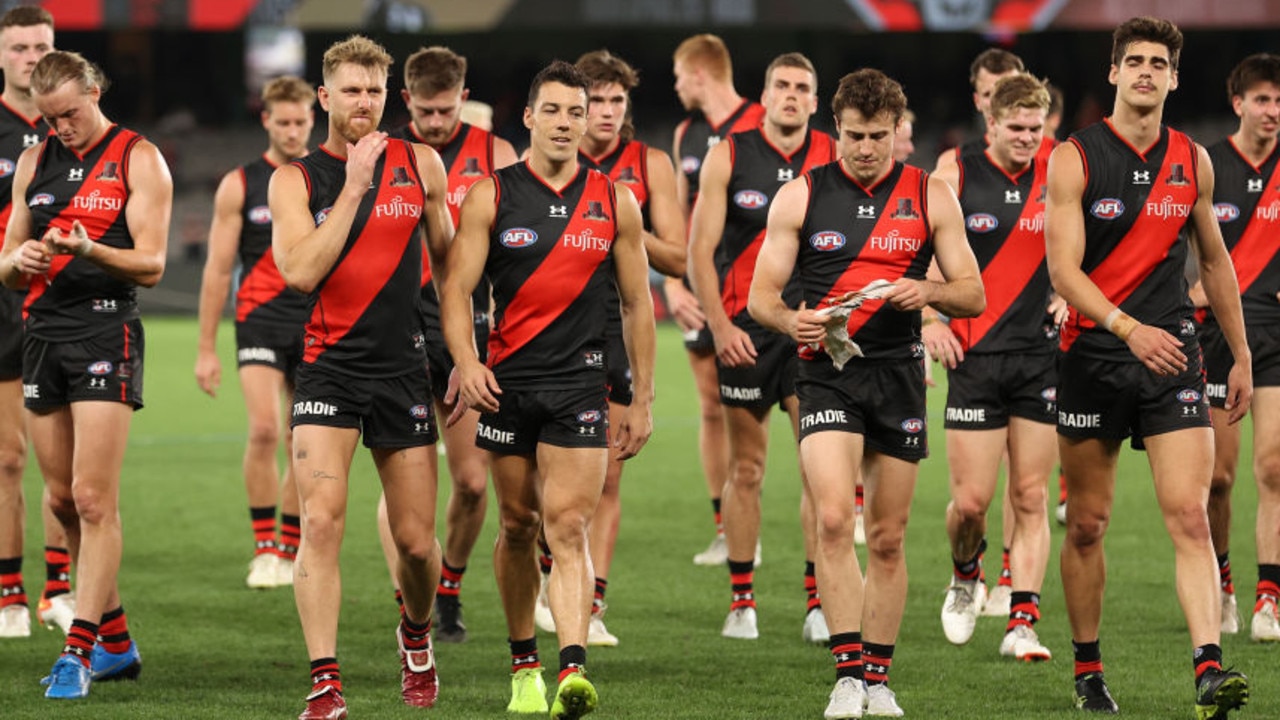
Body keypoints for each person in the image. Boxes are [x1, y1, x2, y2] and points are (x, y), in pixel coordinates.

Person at [749, 67, 983, 719]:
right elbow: (760, 295)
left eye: (879, 135)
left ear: (898, 131)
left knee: (887, 536)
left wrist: (929, 292)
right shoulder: (800, 196)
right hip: (828, 372)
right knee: (831, 518)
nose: (866, 148)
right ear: (836, 130)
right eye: (854, 135)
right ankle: (847, 673)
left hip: (900, 374)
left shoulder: (931, 194)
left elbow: (973, 291)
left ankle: (879, 680)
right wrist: (788, 318)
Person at [1045, 16, 1253, 717]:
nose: (1144, 71)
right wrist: (1127, 328)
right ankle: (1088, 672)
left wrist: (1242, 353)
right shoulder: (1074, 158)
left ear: (1172, 76)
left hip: (1173, 358)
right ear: (1113, 72)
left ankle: (1208, 671)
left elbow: (1217, 263)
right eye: (1132, 60)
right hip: (1094, 358)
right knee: (1087, 525)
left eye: (1157, 62)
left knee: (1191, 517)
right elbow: (1064, 272)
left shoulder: (1193, 159)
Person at [440, 59, 655, 719]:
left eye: (577, 111)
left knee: (567, 525)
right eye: (554, 111)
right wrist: (466, 360)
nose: (567, 123)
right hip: (508, 388)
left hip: (579, 388)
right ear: (529, 117)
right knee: (516, 523)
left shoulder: (615, 198)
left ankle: (572, 671)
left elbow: (638, 304)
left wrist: (641, 396)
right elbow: (455, 289)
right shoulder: (491, 196)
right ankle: (523, 666)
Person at [268, 35, 453, 719]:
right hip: (328, 370)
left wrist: (461, 356)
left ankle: (415, 634)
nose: (363, 103)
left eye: (374, 91)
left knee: (414, 543)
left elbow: (452, 271)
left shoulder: (423, 164)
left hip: (404, 370)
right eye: (350, 90)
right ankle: (325, 682)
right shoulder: (296, 179)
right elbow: (301, 271)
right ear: (324, 97)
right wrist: (352, 187)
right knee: (320, 522)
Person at [0, 50, 172, 698]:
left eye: (70, 114)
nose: (62, 127)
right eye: (50, 118)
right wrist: (25, 256)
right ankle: (119, 643)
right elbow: (7, 266)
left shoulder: (139, 158)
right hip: (41, 336)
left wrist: (88, 247)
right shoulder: (34, 161)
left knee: (95, 498)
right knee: (65, 501)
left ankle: (79, 651)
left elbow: (153, 263)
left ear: (95, 91)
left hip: (106, 330)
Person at [533, 48, 684, 647]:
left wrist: (613, 223)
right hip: (542, 338)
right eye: (595, 100)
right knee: (533, 493)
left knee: (610, 477)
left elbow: (675, 256)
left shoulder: (648, 167)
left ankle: (590, 604)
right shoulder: (539, 165)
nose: (606, 111)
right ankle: (550, 577)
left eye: (618, 101)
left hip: (612, 334)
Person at [687, 52, 835, 643]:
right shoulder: (728, 153)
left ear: (816, 101)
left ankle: (818, 601)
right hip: (747, 337)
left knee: (817, 474)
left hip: (812, 336)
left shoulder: (833, 153)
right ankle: (742, 601)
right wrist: (720, 328)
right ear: (765, 94)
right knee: (746, 468)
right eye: (782, 85)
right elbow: (700, 250)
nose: (792, 95)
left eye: (803, 87)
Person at [377, 44, 517, 645]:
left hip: (469, 330)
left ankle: (450, 589)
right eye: (424, 112)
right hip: (397, 331)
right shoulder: (382, 154)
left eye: (445, 110)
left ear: (465, 98)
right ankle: (408, 595)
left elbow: (515, 248)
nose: (434, 123)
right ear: (406, 101)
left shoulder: (498, 154)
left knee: (471, 483)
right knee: (400, 479)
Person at [929, 73, 1061, 660]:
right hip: (975, 358)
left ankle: (1023, 621)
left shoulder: (1061, 171)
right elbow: (918, 250)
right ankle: (965, 574)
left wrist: (1069, 291)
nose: (1028, 138)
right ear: (992, 124)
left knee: (1031, 495)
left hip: (1041, 358)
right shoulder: (954, 172)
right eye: (1017, 128)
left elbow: (1093, 244)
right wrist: (930, 322)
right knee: (972, 504)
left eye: (1037, 128)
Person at [194, 75, 314, 591]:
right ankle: (265, 547)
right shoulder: (240, 184)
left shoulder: (324, 178)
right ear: (266, 120)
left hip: (317, 322)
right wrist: (205, 349)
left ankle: (290, 547)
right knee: (265, 430)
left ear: (314, 120)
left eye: (300, 122)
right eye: (282, 122)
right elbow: (219, 269)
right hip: (259, 319)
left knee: (300, 441)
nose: (291, 131)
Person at [668, 34, 765, 566]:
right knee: (710, 405)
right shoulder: (688, 132)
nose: (676, 85)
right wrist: (675, 283)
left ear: (700, 74)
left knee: (752, 414)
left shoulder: (762, 122)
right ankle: (724, 528)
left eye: (679, 75)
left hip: (753, 290)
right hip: (701, 287)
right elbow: (681, 218)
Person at [1195, 53, 1280, 641]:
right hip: (1217, 333)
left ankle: (1268, 599)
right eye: (1262, 100)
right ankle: (1222, 582)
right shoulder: (1208, 165)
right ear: (1238, 104)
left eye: (1279, 101)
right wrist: (1186, 287)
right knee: (1218, 480)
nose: (1272, 112)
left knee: (1274, 467)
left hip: (1275, 329)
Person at [0, 4, 74, 639]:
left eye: (40, 46)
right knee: (6, 459)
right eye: (19, 47)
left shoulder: (74, 129)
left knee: (66, 468)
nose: (29, 56)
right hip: (2, 308)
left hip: (61, 310)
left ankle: (60, 588)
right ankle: (9, 594)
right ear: (1, 54)